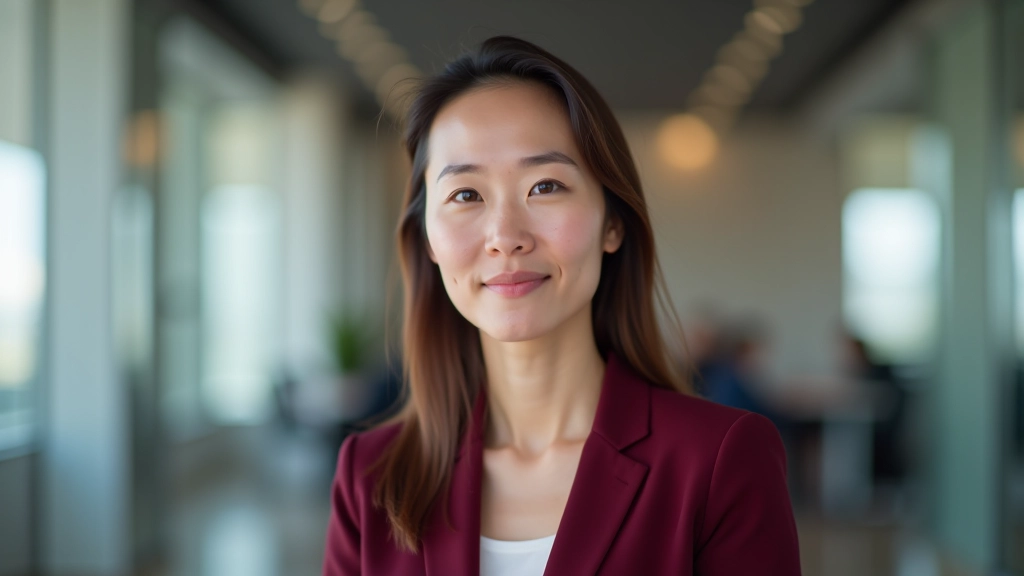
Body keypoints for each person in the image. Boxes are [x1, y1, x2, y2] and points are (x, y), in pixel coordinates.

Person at [322, 36, 801, 575]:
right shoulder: (371, 475)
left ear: (612, 223)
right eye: (466, 195)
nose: (505, 237)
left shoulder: (719, 460)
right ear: (429, 239)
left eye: (546, 185)